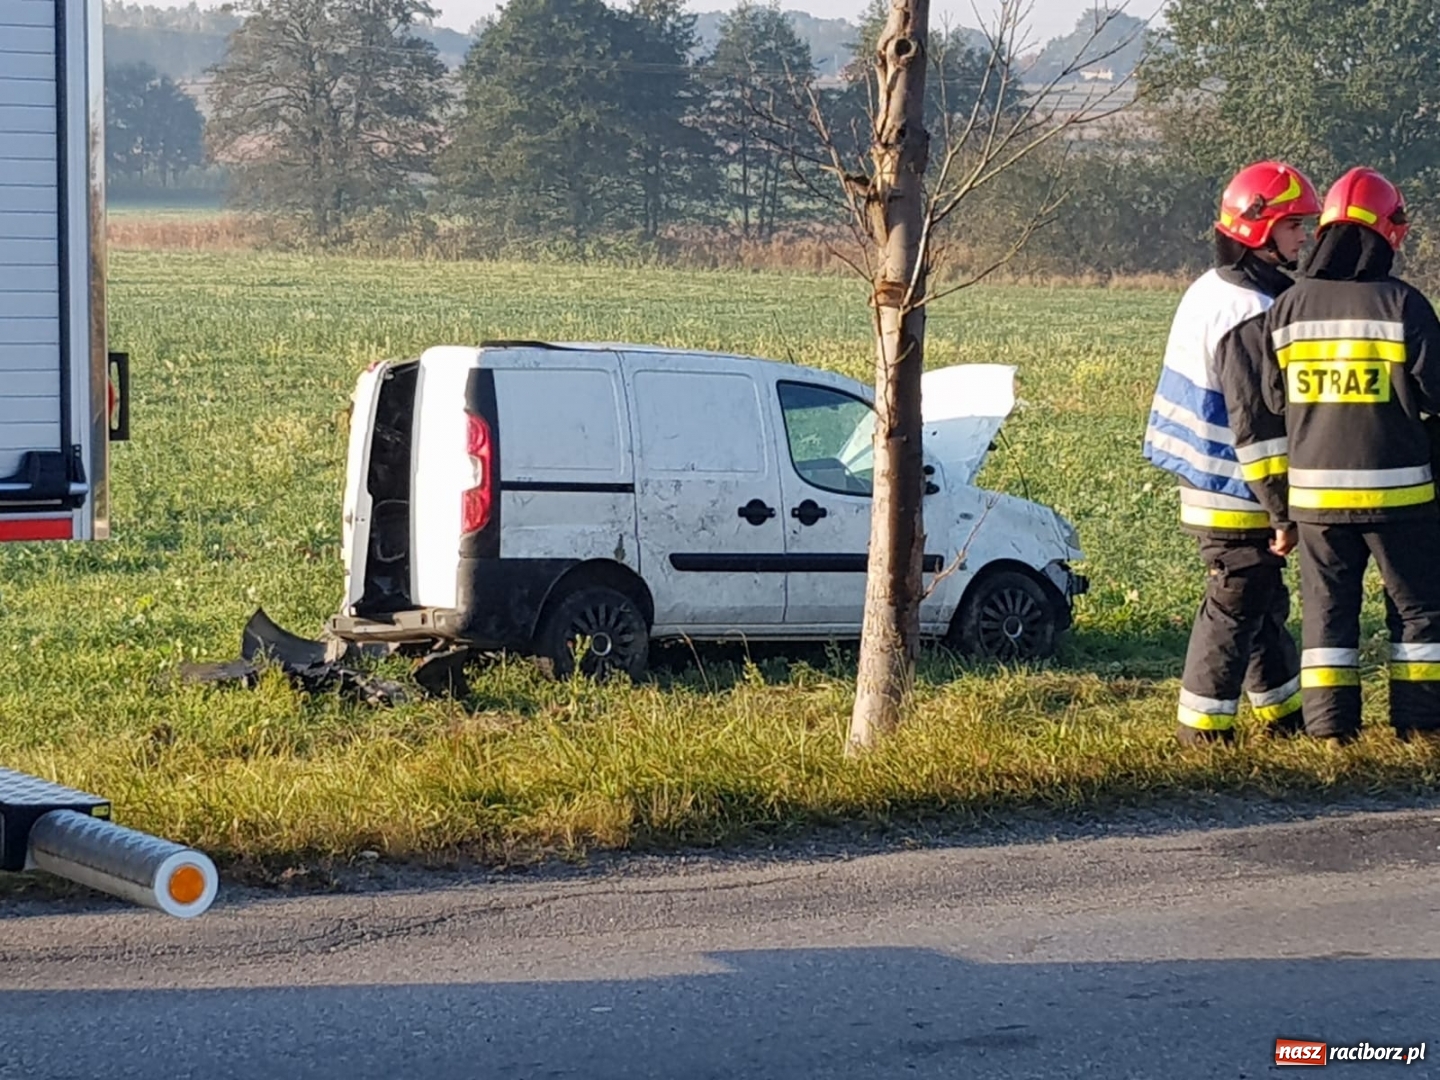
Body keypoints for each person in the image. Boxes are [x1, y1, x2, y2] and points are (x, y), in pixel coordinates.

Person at [1222, 166, 1440, 745]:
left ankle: (1331, 732)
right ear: (1385, 233)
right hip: (1401, 500)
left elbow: (1272, 400)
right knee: (1417, 612)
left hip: (1316, 502)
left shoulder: (1288, 308)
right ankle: (1419, 727)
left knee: (1327, 617)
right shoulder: (1403, 304)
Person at [1144, 160, 1322, 746]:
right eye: (1294, 226)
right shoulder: (1248, 312)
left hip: (1213, 479)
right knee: (1235, 602)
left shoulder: (1214, 287)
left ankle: (1283, 719)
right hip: (1235, 489)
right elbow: (1257, 428)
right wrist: (1281, 512)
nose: (1304, 238)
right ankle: (1203, 735)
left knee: (1261, 602)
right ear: (1258, 229)